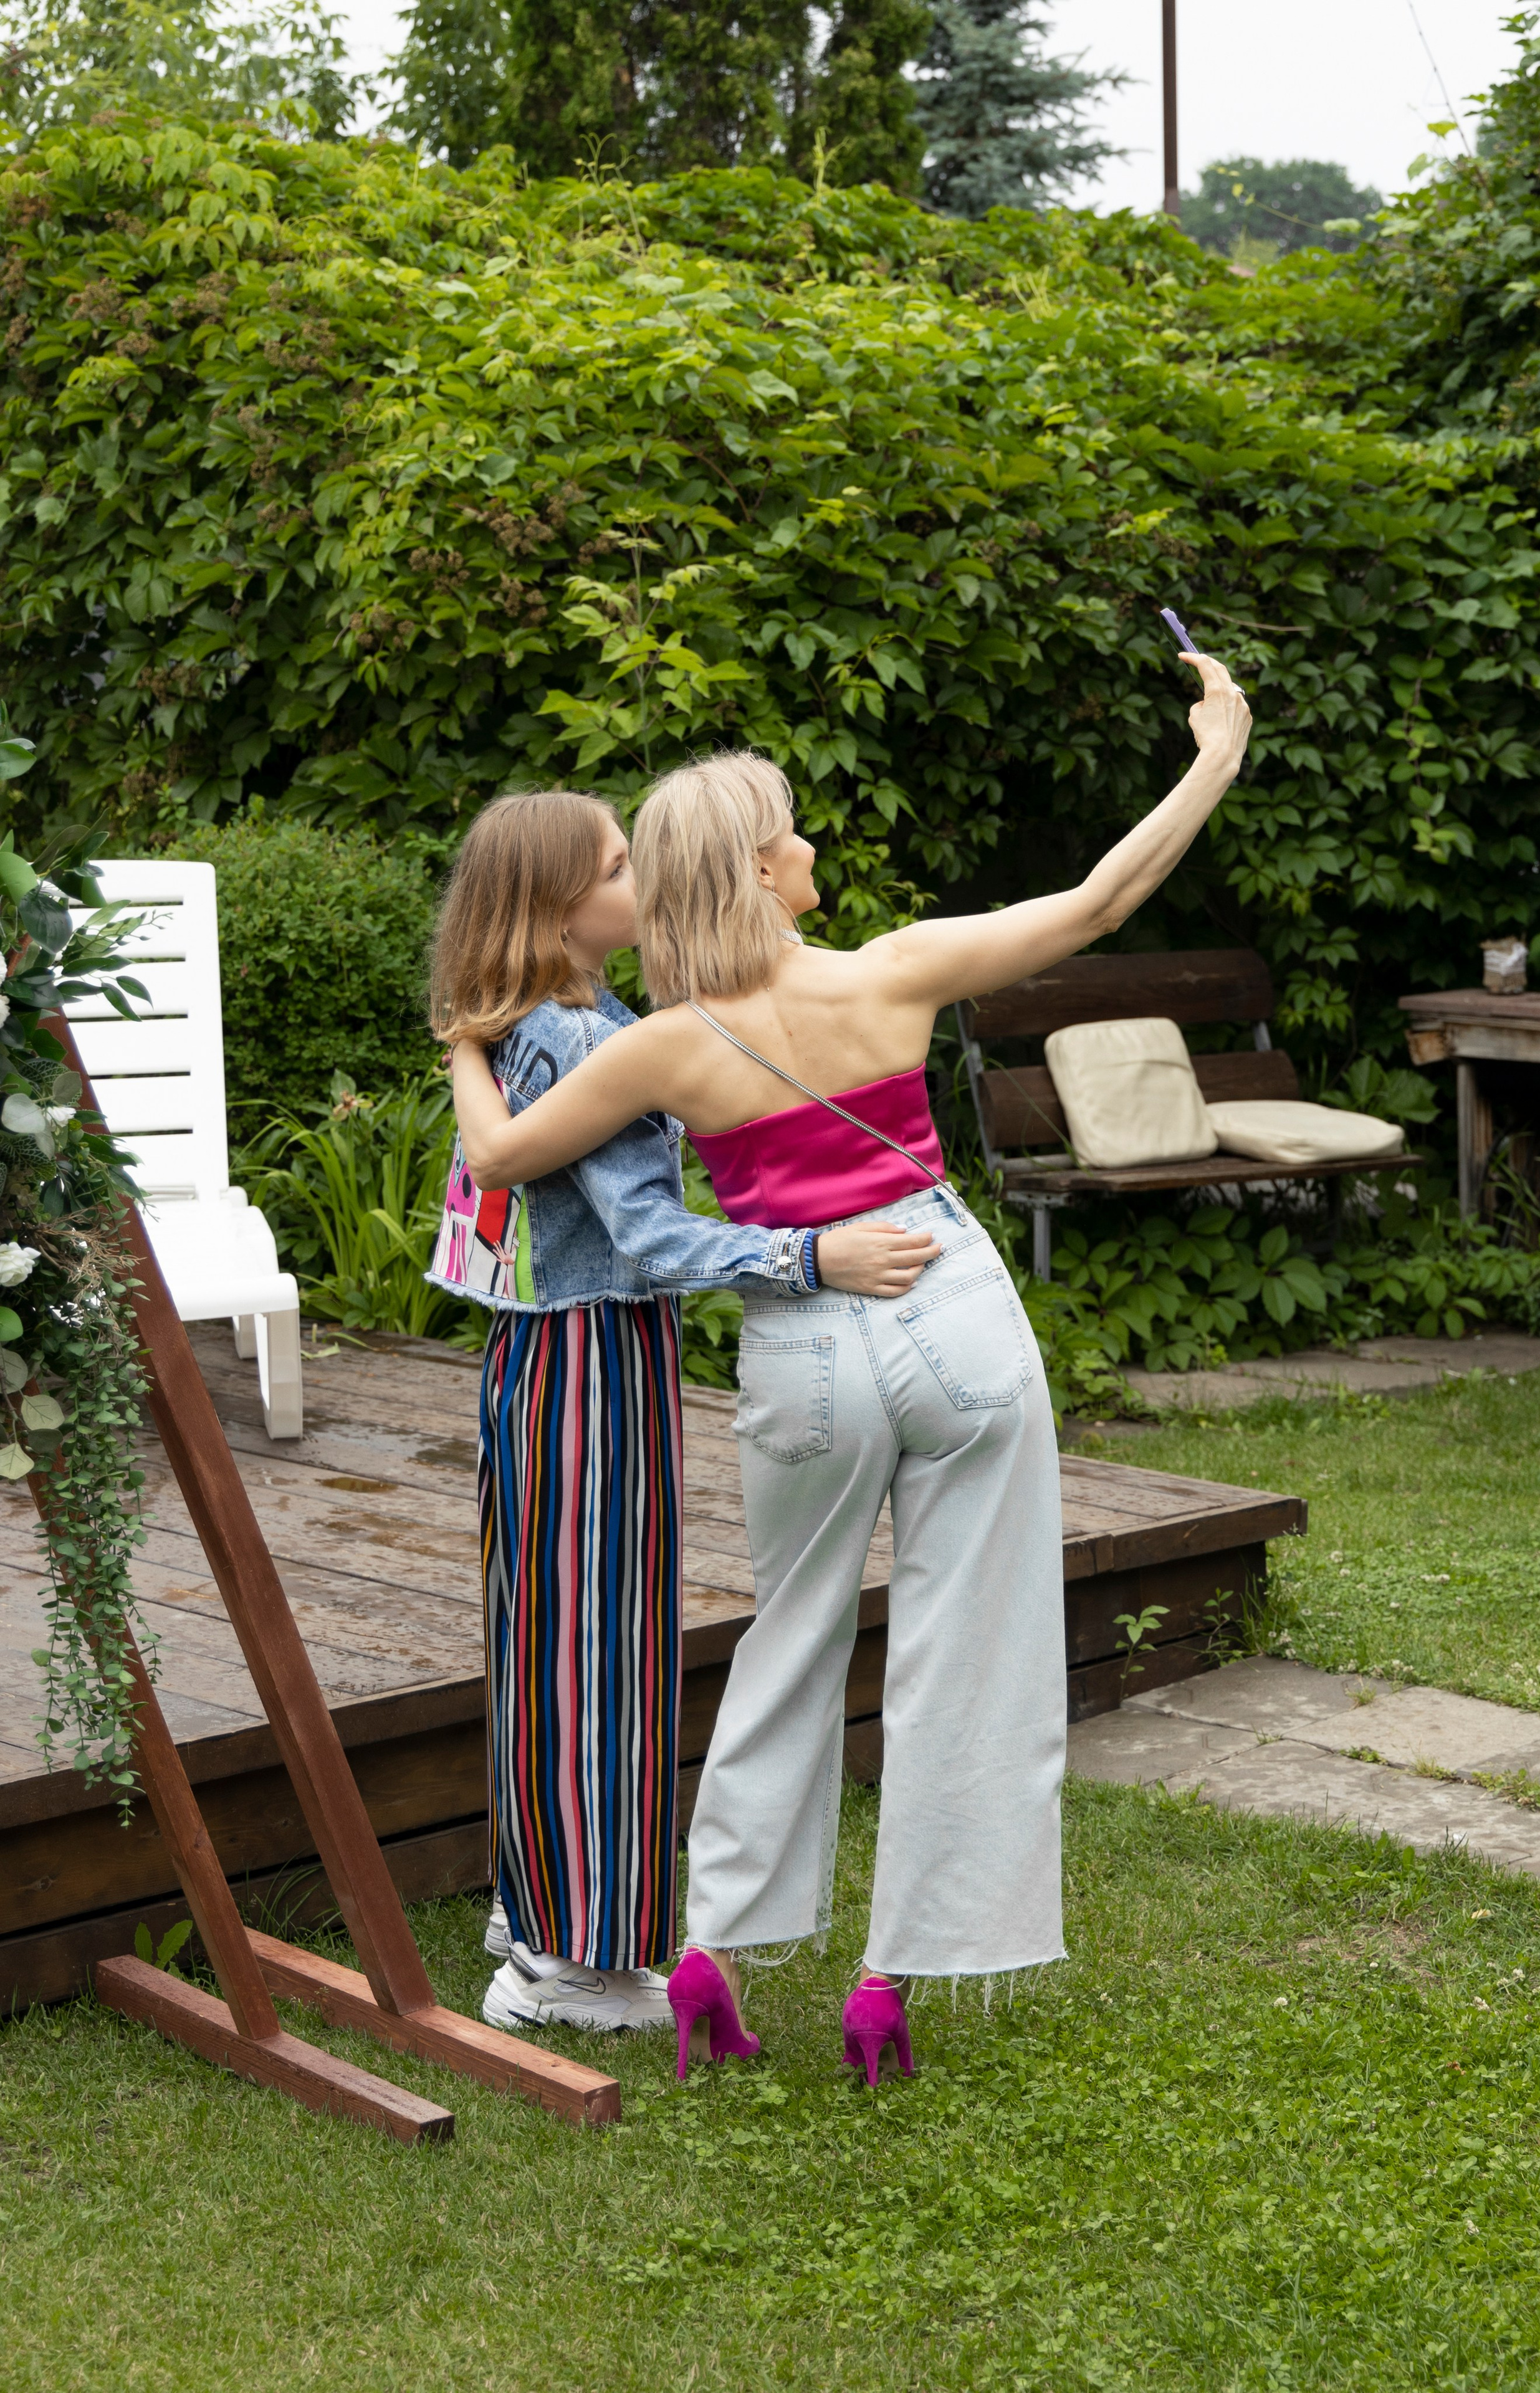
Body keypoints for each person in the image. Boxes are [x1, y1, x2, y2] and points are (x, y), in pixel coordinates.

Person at [447, 655, 1252, 2080]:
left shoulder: (660, 1050)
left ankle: (706, 1952)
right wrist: (1211, 750)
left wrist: (466, 1025)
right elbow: (1102, 900)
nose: (812, 845)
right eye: (795, 830)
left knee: (790, 1638)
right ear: (764, 868)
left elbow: (504, 1157)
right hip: (941, 1300)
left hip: (801, 1349)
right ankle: (890, 1980)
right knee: (972, 1643)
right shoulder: (894, 972)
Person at [426, 788, 939, 2037]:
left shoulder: (552, 1023)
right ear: (558, 904)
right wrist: (810, 1260)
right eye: (616, 866)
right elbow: (648, 1239)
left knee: (554, 1640)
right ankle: (573, 1967)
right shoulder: (579, 1037)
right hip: (589, 1363)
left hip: (550, 1360)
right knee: (598, 1652)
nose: (642, 877)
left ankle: (533, 1914)